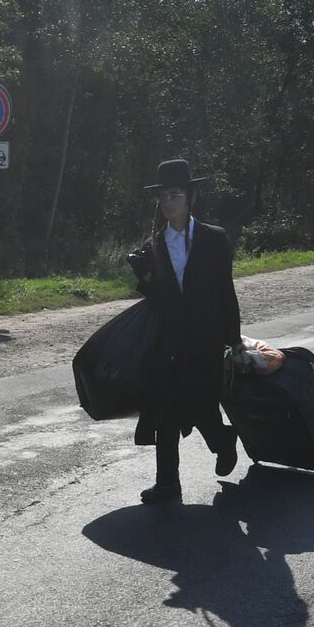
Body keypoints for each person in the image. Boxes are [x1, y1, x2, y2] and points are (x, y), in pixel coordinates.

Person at [126, 159, 241, 503]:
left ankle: (223, 441)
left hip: (205, 341)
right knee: (166, 412)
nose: (167, 203)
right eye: (162, 197)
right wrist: (143, 275)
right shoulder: (155, 245)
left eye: (174, 195)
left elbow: (226, 291)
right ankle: (167, 484)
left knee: (203, 407)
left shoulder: (214, 239)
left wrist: (233, 340)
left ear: (190, 198)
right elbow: (158, 296)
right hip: (168, 342)